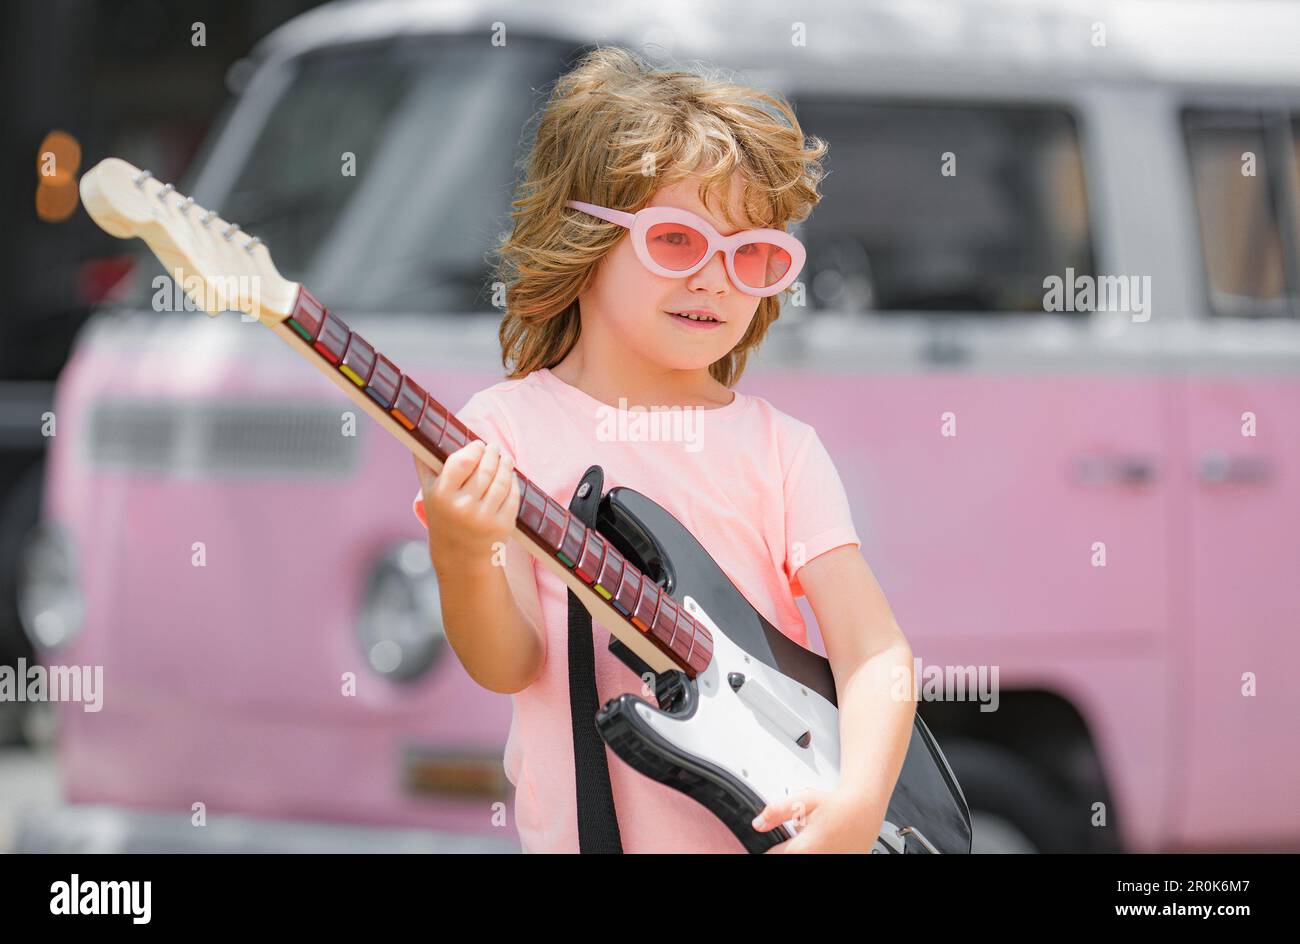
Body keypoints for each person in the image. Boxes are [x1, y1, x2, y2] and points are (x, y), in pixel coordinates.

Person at [411, 45, 915, 853]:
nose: (718, 280)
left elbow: (875, 649)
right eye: (677, 241)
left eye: (754, 254)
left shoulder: (782, 451)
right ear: (582, 234)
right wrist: (462, 555)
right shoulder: (500, 431)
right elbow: (510, 662)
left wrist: (857, 808)